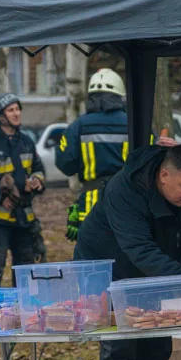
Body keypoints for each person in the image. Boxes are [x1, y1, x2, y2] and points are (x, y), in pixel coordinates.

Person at [74, 144, 181, 360]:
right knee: (120, 348)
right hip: (110, 265)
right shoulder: (124, 188)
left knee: (157, 346)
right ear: (164, 175)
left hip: (160, 266)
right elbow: (139, 249)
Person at [0, 92, 47, 287]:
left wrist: (37, 181)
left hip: (25, 219)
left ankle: (23, 310)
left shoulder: (26, 142)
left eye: (18, 109)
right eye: (11, 110)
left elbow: (38, 169)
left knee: (26, 269)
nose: (16, 113)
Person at [56, 68, 129, 241]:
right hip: (128, 204)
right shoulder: (133, 123)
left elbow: (65, 164)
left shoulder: (78, 126)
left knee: (92, 261)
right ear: (119, 96)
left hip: (90, 206)